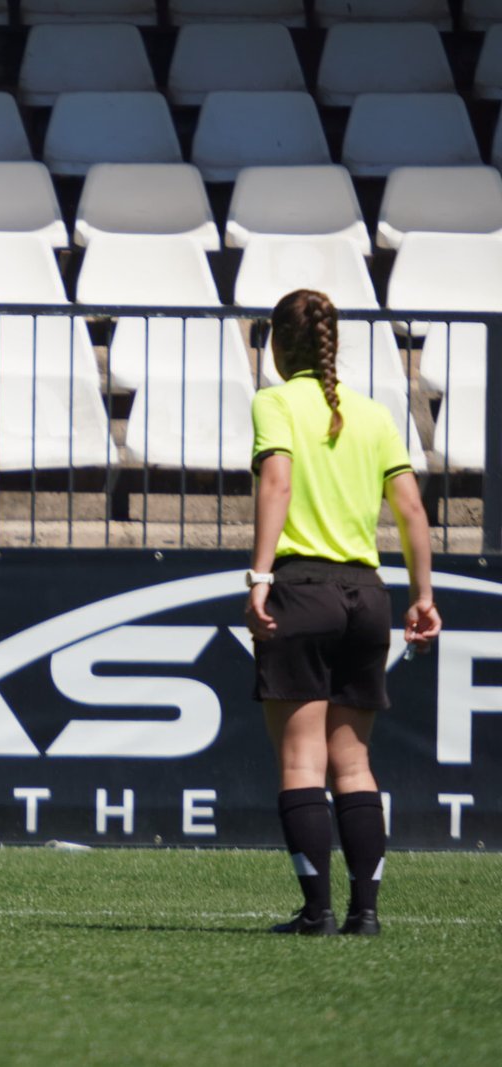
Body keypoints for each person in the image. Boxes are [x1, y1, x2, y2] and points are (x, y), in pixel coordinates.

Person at [245, 289, 441, 936]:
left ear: (279, 343)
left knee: (301, 762)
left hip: (302, 589)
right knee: (354, 764)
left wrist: (259, 576)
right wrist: (423, 595)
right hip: (366, 595)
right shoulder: (373, 413)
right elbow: (412, 510)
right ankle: (366, 912)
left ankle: (317, 911)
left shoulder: (273, 401)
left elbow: (277, 481)